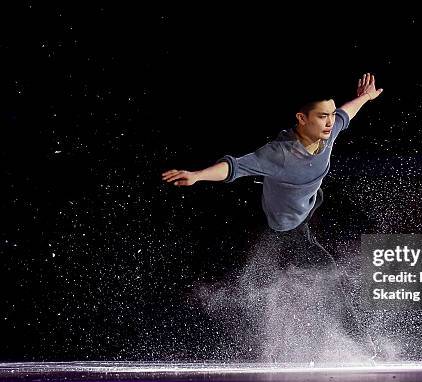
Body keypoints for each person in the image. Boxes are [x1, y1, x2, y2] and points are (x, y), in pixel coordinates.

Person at [162, 73, 383, 357]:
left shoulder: (328, 134)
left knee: (332, 250)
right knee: (320, 272)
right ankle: (366, 348)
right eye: (321, 116)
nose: (329, 122)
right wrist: (197, 175)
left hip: (307, 209)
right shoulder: (278, 154)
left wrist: (366, 96)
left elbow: (345, 113)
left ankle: (362, 344)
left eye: (330, 115)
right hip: (279, 224)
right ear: (301, 118)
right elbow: (233, 167)